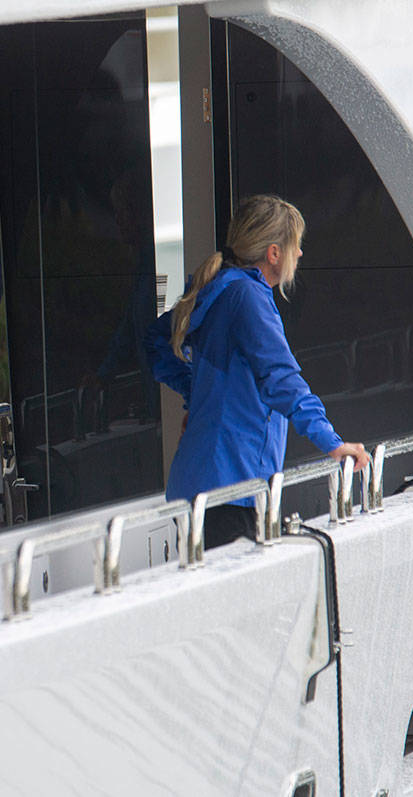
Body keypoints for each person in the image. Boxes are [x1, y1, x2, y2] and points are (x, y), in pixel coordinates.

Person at [145, 195, 370, 548]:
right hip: (232, 486)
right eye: (295, 245)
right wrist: (332, 442)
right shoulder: (248, 296)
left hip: (199, 482)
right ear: (274, 253)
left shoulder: (218, 287)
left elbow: (155, 340)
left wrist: (197, 394)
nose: (300, 254)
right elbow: (281, 378)